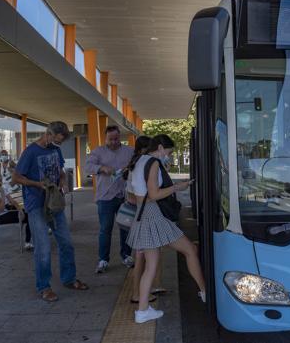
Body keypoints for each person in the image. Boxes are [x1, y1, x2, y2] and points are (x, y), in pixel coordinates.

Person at [126, 134, 205, 324]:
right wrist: (178, 187)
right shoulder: (153, 162)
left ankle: (142, 311)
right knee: (190, 250)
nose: (168, 156)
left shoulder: (138, 161)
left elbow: (137, 194)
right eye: (168, 152)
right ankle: (205, 291)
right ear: (160, 148)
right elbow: (153, 194)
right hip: (154, 215)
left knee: (151, 266)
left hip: (142, 214)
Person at [13, 121, 88, 302]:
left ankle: (69, 278)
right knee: (43, 247)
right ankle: (44, 286)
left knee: (66, 242)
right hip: (36, 204)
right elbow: (16, 177)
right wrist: (36, 184)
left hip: (53, 204)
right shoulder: (30, 152)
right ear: (48, 134)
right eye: (57, 141)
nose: (58, 145)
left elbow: (60, 170)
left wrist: (62, 179)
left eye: (61, 143)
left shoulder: (56, 149)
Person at [86, 125, 135, 273]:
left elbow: (137, 164)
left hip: (125, 196)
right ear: (105, 138)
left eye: (116, 138)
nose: (113, 142)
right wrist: (102, 169)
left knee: (126, 227)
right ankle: (103, 259)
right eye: (110, 139)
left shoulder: (129, 151)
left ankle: (126, 255)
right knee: (105, 229)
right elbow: (87, 166)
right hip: (105, 197)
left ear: (120, 137)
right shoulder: (98, 152)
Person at [124, 136, 166, 304]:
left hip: (140, 215)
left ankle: (146, 289)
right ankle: (137, 294)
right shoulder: (142, 165)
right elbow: (133, 197)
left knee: (144, 256)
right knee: (142, 257)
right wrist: (150, 199)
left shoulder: (135, 165)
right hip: (143, 216)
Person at [0, 171, 32, 250]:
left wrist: (20, 210)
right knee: (29, 218)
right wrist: (2, 194)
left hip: (8, 212)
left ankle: (28, 241)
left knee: (29, 214)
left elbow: (12, 201)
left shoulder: (3, 189)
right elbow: (0, 209)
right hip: (0, 216)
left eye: (0, 180)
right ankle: (27, 242)